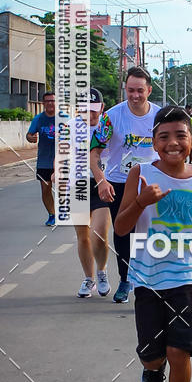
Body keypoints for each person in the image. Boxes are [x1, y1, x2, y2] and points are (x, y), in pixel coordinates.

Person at [114, 106, 192, 382]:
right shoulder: (140, 174)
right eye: (164, 137)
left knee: (180, 350)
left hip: (186, 277)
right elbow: (121, 227)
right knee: (153, 355)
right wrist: (141, 202)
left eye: (180, 135)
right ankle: (152, 370)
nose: (173, 142)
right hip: (146, 279)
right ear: (154, 143)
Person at [90, 67, 160, 303]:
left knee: (152, 231)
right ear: (125, 89)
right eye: (131, 90)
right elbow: (94, 152)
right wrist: (101, 180)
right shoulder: (112, 116)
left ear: (149, 90)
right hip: (120, 182)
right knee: (123, 232)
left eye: (140, 90)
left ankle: (151, 281)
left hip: (151, 183)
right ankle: (125, 279)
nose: (135, 95)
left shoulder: (160, 117)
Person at [68, 88, 112, 298]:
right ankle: (89, 278)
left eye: (94, 110)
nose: (91, 115)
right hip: (77, 185)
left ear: (101, 108)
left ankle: (102, 272)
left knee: (99, 234)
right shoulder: (70, 127)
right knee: (83, 236)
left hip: (102, 183)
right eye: (85, 110)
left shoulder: (108, 125)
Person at [26, 91, 56, 226]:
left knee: (64, 189)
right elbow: (29, 134)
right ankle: (52, 214)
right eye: (48, 101)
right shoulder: (38, 119)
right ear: (44, 103)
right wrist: (30, 137)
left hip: (63, 161)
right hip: (44, 161)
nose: (50, 103)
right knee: (45, 189)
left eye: (53, 100)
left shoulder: (65, 118)